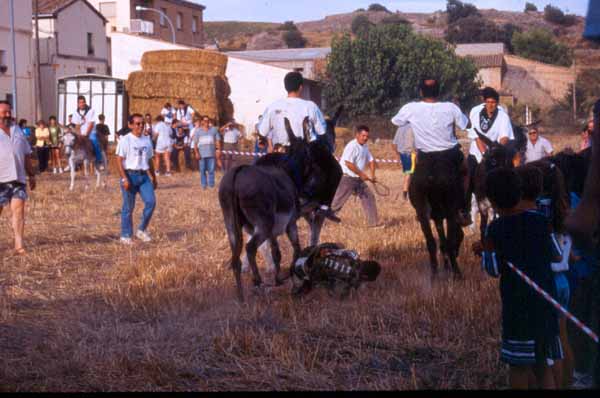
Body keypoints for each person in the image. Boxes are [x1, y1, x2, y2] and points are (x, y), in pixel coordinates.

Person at [478, 167, 563, 389]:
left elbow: (493, 270)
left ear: (492, 201)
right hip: (545, 303)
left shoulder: (495, 229)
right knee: (543, 365)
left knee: (518, 368)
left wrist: (486, 250)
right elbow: (557, 254)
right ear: (519, 192)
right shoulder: (541, 220)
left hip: (518, 310)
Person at [517, 165, 575, 389]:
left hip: (544, 284)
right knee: (562, 339)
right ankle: (569, 383)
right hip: (563, 282)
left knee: (544, 352)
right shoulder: (565, 205)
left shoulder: (537, 212)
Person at [391, 78, 472, 226]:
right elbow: (466, 125)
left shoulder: (410, 108)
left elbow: (397, 121)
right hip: (449, 154)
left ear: (421, 92)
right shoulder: (450, 107)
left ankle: (421, 210)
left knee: (413, 176)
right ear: (439, 92)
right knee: (466, 170)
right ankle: (462, 208)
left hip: (425, 155)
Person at [0, 100, 36, 255]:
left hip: (18, 178)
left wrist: (32, 174)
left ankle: (19, 245)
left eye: (9, 111)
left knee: (19, 211)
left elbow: (27, 154)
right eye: (4, 112)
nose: (8, 114)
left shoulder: (18, 130)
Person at [258, 71, 327, 151]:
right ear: (301, 87)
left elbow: (262, 133)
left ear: (285, 87)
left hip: (279, 156)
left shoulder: (272, 107)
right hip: (303, 156)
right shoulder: (310, 106)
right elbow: (322, 132)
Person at [115, 114, 157, 245]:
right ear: (130, 125)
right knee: (128, 207)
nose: (140, 126)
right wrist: (124, 179)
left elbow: (150, 160)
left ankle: (141, 230)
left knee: (151, 202)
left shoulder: (147, 140)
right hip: (129, 175)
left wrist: (153, 177)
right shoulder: (125, 140)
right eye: (137, 123)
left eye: (142, 123)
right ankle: (125, 235)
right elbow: (119, 160)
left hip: (143, 176)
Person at [330, 125, 381, 228]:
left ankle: (373, 224)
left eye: (367, 136)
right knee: (337, 203)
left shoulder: (365, 146)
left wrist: (373, 175)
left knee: (369, 197)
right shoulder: (352, 146)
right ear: (357, 135)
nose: (365, 138)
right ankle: (321, 220)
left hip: (357, 179)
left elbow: (371, 160)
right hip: (347, 178)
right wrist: (362, 174)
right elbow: (348, 163)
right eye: (363, 136)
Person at [291, 242, 381, 298]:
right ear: (365, 276)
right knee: (334, 290)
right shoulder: (350, 278)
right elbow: (335, 293)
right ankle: (301, 287)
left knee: (340, 245)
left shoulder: (354, 255)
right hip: (304, 272)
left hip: (309, 252)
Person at [71, 96, 100, 172]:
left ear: (85, 102)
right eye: (80, 102)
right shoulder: (75, 113)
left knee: (94, 141)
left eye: (83, 102)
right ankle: (74, 161)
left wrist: (86, 134)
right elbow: (77, 125)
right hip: (80, 133)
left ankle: (99, 160)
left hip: (90, 132)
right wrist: (79, 135)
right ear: (77, 104)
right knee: (71, 142)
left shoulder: (91, 111)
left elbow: (91, 123)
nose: (82, 104)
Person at [192, 116, 221, 189]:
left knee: (211, 170)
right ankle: (204, 185)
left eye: (207, 121)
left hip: (211, 154)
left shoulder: (214, 130)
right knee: (202, 170)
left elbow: (218, 141)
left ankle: (211, 185)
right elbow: (195, 143)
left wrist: (218, 150)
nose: (206, 122)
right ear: (202, 122)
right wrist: (196, 153)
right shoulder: (198, 131)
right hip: (202, 154)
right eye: (204, 121)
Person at [392, 124, 416, 201]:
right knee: (409, 174)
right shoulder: (413, 126)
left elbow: (394, 143)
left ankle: (407, 194)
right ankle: (405, 195)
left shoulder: (400, 127)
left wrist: (398, 155)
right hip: (410, 154)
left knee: (408, 174)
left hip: (403, 154)